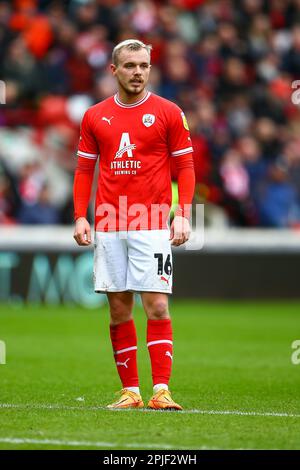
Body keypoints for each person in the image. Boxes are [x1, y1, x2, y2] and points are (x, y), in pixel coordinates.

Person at [73, 39, 195, 410]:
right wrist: (81, 214)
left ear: (150, 68)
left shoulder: (169, 112)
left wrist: (185, 214)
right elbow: (84, 169)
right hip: (109, 221)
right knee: (118, 310)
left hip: (153, 221)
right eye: (130, 66)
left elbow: (185, 166)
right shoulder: (95, 115)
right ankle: (131, 392)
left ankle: (161, 390)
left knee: (157, 305)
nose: (138, 72)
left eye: (143, 65)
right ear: (114, 70)